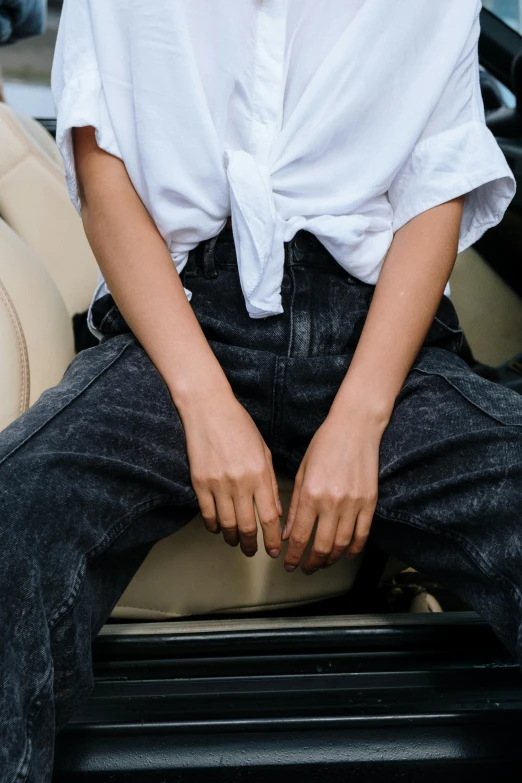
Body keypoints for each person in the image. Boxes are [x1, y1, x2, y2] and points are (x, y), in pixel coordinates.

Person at [1, 0, 521, 780]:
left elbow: (436, 187)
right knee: (14, 515)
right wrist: (205, 403)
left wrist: (359, 420)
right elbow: (102, 175)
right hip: (180, 319)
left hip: (373, 329)